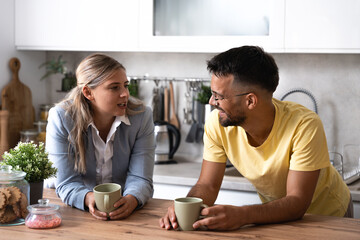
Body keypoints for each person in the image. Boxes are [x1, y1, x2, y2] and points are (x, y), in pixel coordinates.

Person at [160, 46, 352, 231]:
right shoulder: (217, 123)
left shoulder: (304, 125)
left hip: (327, 216)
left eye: (218, 96)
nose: (211, 102)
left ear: (250, 100)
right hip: (277, 219)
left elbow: (297, 202)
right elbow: (207, 185)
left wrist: (242, 215)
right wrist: (187, 207)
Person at [46, 53, 155, 221]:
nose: (125, 93)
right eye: (114, 87)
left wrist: (132, 199)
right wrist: (88, 198)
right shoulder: (61, 118)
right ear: (88, 92)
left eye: (125, 85)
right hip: (75, 212)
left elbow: (141, 177)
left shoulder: (141, 116)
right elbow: (66, 181)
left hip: (124, 211)